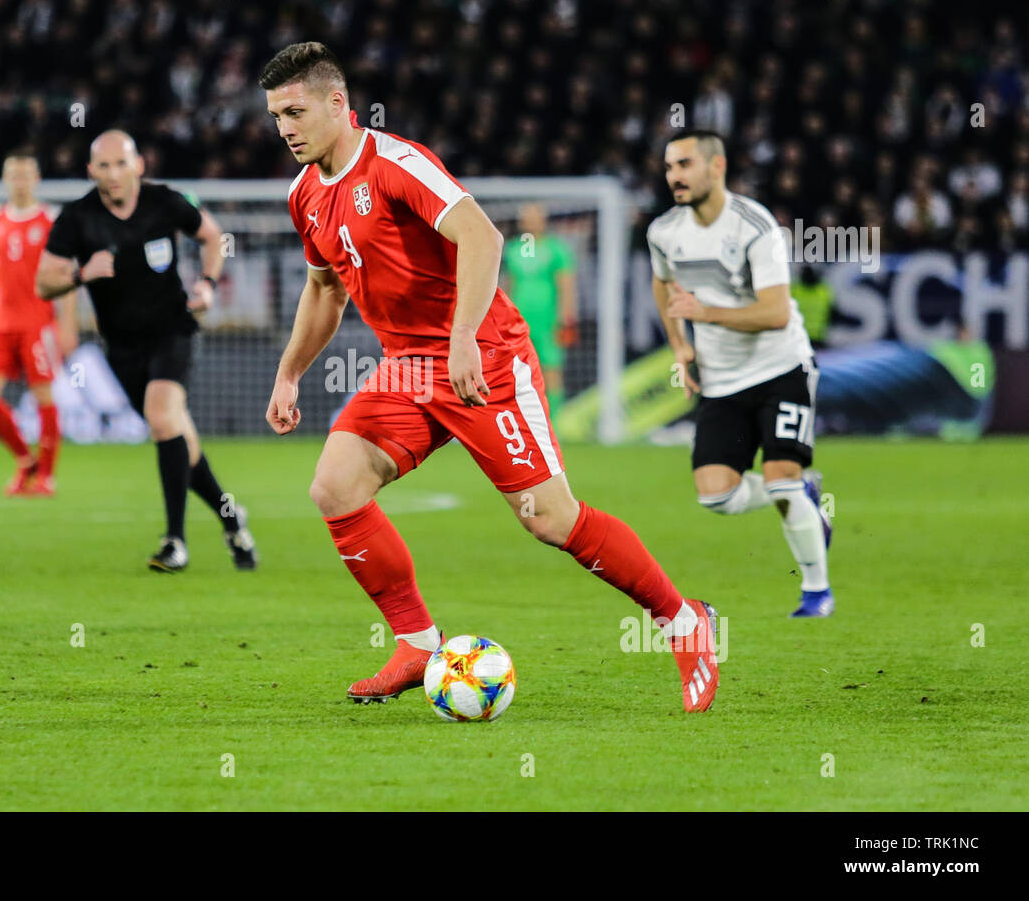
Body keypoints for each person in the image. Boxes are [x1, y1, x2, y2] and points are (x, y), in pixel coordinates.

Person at [260, 42, 718, 712]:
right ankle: (418, 642)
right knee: (335, 485)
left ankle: (684, 623)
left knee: (550, 519)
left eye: (294, 112)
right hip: (408, 370)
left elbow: (481, 237)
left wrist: (463, 339)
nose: (285, 129)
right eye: (275, 117)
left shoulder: (396, 165)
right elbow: (325, 291)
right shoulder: (305, 195)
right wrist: (289, 374)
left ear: (337, 104)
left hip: (485, 360)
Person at [35, 129, 256, 572]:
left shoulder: (166, 202)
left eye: (121, 164)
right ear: (90, 171)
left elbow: (214, 238)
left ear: (139, 165)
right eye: (104, 165)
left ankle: (175, 540)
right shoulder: (78, 218)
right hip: (121, 346)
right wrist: (82, 275)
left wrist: (208, 286)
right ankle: (232, 517)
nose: (113, 174)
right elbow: (44, 281)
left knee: (161, 416)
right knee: (177, 438)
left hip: (173, 330)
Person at [648, 130, 833, 618]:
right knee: (716, 496)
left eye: (685, 164)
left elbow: (774, 312)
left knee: (780, 481)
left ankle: (816, 591)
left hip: (781, 369)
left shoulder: (756, 227)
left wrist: (704, 315)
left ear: (716, 166)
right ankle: (807, 496)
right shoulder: (664, 231)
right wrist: (680, 345)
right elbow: (662, 282)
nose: (674, 176)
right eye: (669, 167)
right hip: (722, 380)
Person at [0, 148, 76, 496]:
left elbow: (64, 275)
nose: (20, 182)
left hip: (38, 322)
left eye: (26, 175)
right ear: (5, 180)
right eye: (14, 175)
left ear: (37, 179)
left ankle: (47, 475)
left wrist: (68, 324)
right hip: (1, 323)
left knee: (43, 395)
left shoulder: (51, 219)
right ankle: (25, 461)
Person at [501, 203, 577, 403]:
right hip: (518, 322)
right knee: (517, 373)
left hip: (548, 322)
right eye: (526, 217)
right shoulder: (512, 249)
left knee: (551, 372)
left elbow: (566, 286)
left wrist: (566, 318)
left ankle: (554, 426)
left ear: (543, 220)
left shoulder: (557, 249)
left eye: (534, 217)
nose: (530, 222)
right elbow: (509, 285)